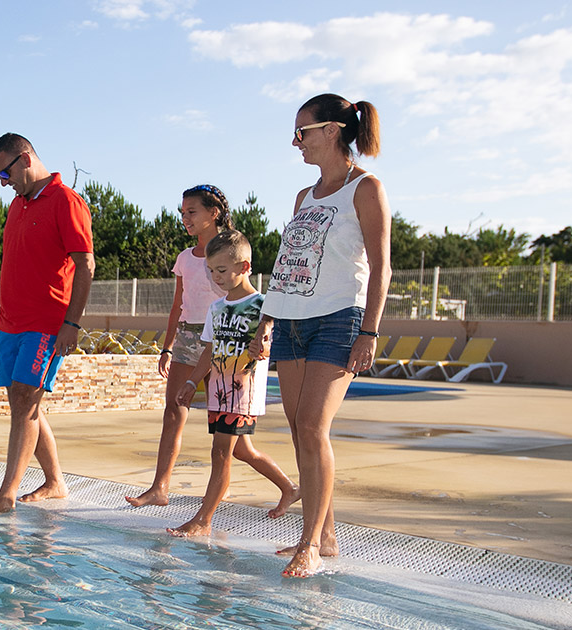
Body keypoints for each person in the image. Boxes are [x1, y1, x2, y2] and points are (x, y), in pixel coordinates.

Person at [254, 94, 392, 577]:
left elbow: (381, 267)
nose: (297, 143)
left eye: (302, 133)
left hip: (339, 319)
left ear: (332, 131)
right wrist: (268, 319)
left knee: (313, 427)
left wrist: (369, 331)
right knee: (298, 429)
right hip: (291, 319)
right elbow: (288, 266)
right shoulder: (303, 197)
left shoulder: (366, 189)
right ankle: (325, 533)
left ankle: (309, 543)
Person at [0, 132, 95, 514]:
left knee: (26, 402)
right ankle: (55, 482)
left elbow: (85, 265)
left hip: (46, 323)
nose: (4, 182)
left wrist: (72, 324)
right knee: (22, 401)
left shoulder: (66, 202)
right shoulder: (18, 205)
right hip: (11, 323)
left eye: (5, 173)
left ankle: (6, 494)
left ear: (26, 159)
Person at [163, 230, 298, 537]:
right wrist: (192, 382)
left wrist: (262, 348)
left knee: (221, 452)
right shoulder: (216, 308)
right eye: (211, 271)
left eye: (222, 270)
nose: (216, 277)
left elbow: (269, 344)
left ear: (244, 267)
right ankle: (289, 488)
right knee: (242, 451)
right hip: (219, 392)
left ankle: (203, 519)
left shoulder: (264, 307)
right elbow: (208, 351)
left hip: (243, 392)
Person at [124, 185, 234, 508]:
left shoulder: (230, 251)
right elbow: (178, 306)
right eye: (182, 213)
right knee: (173, 411)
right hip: (187, 336)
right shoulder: (184, 258)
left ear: (213, 213)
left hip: (222, 338)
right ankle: (159, 487)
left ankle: (221, 487)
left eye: (192, 212)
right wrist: (167, 346)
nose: (185, 218)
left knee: (223, 422)